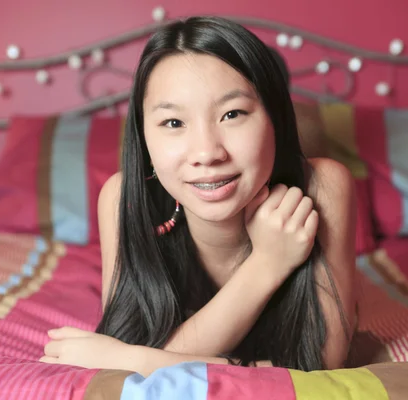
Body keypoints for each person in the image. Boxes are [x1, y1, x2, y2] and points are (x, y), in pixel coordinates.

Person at [40, 15, 357, 376]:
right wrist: (266, 264)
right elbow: (127, 336)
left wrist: (137, 360)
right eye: (173, 123)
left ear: (276, 120)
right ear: (144, 139)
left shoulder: (323, 186)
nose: (207, 153)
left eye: (232, 113)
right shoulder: (124, 200)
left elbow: (322, 367)